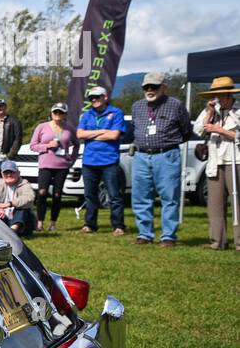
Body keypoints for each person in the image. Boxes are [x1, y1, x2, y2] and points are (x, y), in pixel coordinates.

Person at [129, 71, 191, 247]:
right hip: (141, 155)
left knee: (169, 196)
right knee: (140, 197)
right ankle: (144, 234)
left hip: (166, 154)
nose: (150, 90)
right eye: (146, 87)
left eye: (154, 86)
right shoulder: (137, 106)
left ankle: (168, 236)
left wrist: (169, 144)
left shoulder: (176, 105)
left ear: (163, 87)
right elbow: (134, 128)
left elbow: (186, 131)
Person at [193, 75, 240, 251]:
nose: (218, 99)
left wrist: (220, 130)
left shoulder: (238, 110)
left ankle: (239, 242)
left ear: (229, 95)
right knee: (215, 204)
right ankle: (217, 241)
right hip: (215, 161)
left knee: (237, 202)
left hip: (236, 160)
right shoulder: (210, 110)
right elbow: (198, 130)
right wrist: (210, 114)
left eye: (221, 95)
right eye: (215, 95)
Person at [76, 86, 126, 235]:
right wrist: (103, 131)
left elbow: (114, 136)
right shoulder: (86, 115)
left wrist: (90, 135)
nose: (94, 100)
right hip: (89, 161)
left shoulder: (116, 113)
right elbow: (79, 134)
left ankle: (118, 226)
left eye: (97, 97)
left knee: (114, 195)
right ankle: (90, 225)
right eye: (91, 98)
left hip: (109, 160)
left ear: (105, 97)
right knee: (90, 195)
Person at [29, 102, 74, 232]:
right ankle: (39, 222)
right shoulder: (42, 127)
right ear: (51, 113)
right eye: (55, 112)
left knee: (57, 195)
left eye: (61, 112)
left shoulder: (69, 129)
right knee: (42, 193)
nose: (58, 115)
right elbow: (33, 145)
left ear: (65, 115)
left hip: (62, 166)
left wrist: (72, 158)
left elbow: (76, 144)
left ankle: (53, 223)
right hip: (45, 164)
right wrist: (47, 146)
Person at [0, 160, 37, 236]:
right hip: (4, 219)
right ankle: (0, 231)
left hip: (23, 224)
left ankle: (13, 230)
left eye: (12, 172)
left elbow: (29, 197)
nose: (9, 175)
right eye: (6, 173)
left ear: (18, 173)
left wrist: (8, 204)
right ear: (2, 174)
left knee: (23, 207)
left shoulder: (24, 184)